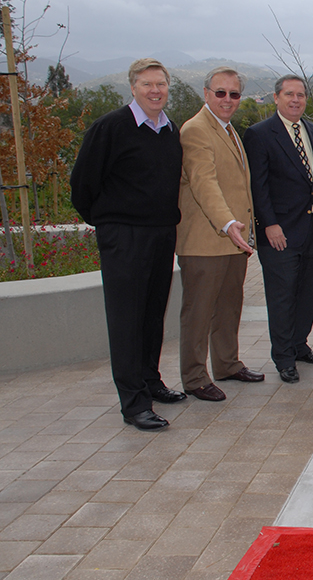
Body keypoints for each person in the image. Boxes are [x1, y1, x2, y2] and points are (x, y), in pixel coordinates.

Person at [70, 58, 185, 431]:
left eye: (161, 84)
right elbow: (83, 184)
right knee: (126, 321)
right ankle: (134, 403)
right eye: (148, 84)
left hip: (161, 233)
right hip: (124, 237)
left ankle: (150, 382)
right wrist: (110, 223)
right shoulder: (111, 127)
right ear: (133, 87)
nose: (155, 91)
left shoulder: (169, 130)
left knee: (153, 314)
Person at [175, 67, 264, 403]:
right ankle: (195, 377)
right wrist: (227, 223)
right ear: (206, 93)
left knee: (229, 306)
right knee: (199, 312)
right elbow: (204, 182)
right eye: (221, 93)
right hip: (206, 240)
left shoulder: (228, 130)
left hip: (233, 239)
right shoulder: (196, 130)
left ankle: (227, 364)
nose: (228, 100)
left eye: (234, 94)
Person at [243, 75, 313, 384]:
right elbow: (258, 185)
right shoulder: (260, 134)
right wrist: (269, 224)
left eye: (301, 95)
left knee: (307, 292)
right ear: (276, 98)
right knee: (282, 297)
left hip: (312, 231)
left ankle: (299, 344)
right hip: (278, 233)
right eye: (289, 94)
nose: (296, 100)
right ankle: (283, 357)